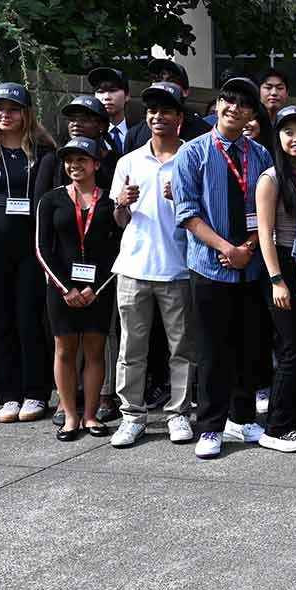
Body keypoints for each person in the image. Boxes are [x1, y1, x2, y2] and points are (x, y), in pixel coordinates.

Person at [172, 76, 274, 460]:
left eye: (243, 104)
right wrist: (226, 248)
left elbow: (268, 213)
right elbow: (187, 213)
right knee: (213, 350)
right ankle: (211, 426)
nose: (234, 108)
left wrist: (246, 249)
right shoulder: (193, 152)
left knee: (250, 344)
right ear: (217, 105)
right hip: (209, 266)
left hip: (250, 266)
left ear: (252, 113)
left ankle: (243, 416)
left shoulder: (260, 155)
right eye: (227, 101)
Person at [108, 82, 198, 448]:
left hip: (178, 269)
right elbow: (118, 221)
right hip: (133, 268)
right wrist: (122, 204)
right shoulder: (128, 161)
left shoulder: (193, 156)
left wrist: (181, 197)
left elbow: (205, 214)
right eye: (152, 111)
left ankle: (178, 413)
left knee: (182, 349)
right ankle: (132, 415)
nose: (158, 117)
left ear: (179, 117)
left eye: (166, 111)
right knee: (131, 349)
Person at [0, 82, 56, 423]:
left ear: (26, 114)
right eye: (0, 108)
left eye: (13, 108)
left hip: (32, 247)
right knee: (3, 322)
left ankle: (36, 393)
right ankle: (9, 395)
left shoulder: (45, 152)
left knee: (30, 319)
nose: (6, 114)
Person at [35, 136, 121, 441]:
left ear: (96, 164)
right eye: (70, 160)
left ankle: (90, 415)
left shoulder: (111, 201)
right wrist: (66, 288)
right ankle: (70, 415)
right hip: (62, 289)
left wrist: (96, 288)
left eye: (82, 159)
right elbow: (42, 247)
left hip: (99, 288)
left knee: (96, 350)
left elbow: (119, 248)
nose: (75, 166)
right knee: (65, 350)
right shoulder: (51, 200)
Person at [254, 105, 296, 453]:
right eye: (288, 132)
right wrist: (277, 279)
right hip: (281, 266)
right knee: (291, 348)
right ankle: (276, 427)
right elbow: (264, 233)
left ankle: (295, 420)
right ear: (277, 138)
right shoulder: (271, 177)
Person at [122, 58, 212, 153]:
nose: (163, 85)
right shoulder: (135, 135)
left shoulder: (204, 133)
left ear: (186, 92)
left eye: (171, 81)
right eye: (158, 79)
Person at [88, 66, 132, 155]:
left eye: (113, 90)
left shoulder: (141, 132)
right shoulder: (88, 134)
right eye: (100, 92)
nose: (107, 97)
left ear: (127, 96)